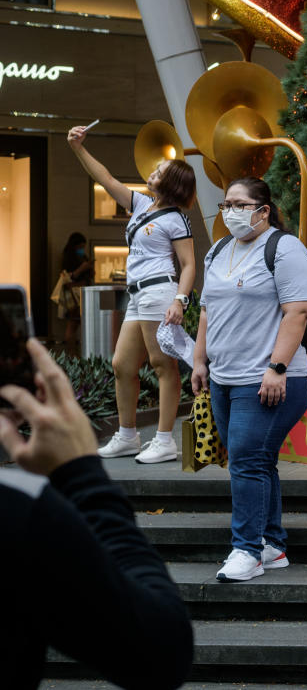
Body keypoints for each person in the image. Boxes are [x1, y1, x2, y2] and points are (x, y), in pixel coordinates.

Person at [0, 338, 193, 690]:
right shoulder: (19, 514)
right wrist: (81, 473)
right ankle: (137, 435)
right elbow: (160, 650)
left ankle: (158, 437)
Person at [192, 177, 307, 582]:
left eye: (240, 204)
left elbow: (298, 311)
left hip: (271, 378)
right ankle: (273, 544)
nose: (230, 211)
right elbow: (207, 310)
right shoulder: (217, 250)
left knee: (246, 461)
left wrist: (277, 367)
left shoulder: (284, 248)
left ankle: (246, 550)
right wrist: (199, 362)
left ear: (263, 210)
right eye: (226, 203)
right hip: (225, 378)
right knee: (256, 461)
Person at [69, 124, 197, 464]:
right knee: (122, 365)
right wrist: (78, 148)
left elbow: (188, 265)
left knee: (162, 365)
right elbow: (107, 179)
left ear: (172, 183)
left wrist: (180, 300)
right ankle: (127, 436)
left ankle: (165, 440)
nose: (153, 171)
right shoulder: (141, 205)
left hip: (160, 292)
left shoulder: (176, 219)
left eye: (161, 171)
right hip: (138, 295)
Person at [56, 232, 92, 346]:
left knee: (77, 323)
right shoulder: (68, 258)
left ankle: (74, 352)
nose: (82, 249)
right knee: (73, 323)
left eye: (83, 247)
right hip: (74, 295)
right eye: (80, 247)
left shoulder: (83, 257)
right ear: (74, 246)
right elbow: (67, 278)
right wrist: (82, 269)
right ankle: (70, 353)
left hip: (82, 293)